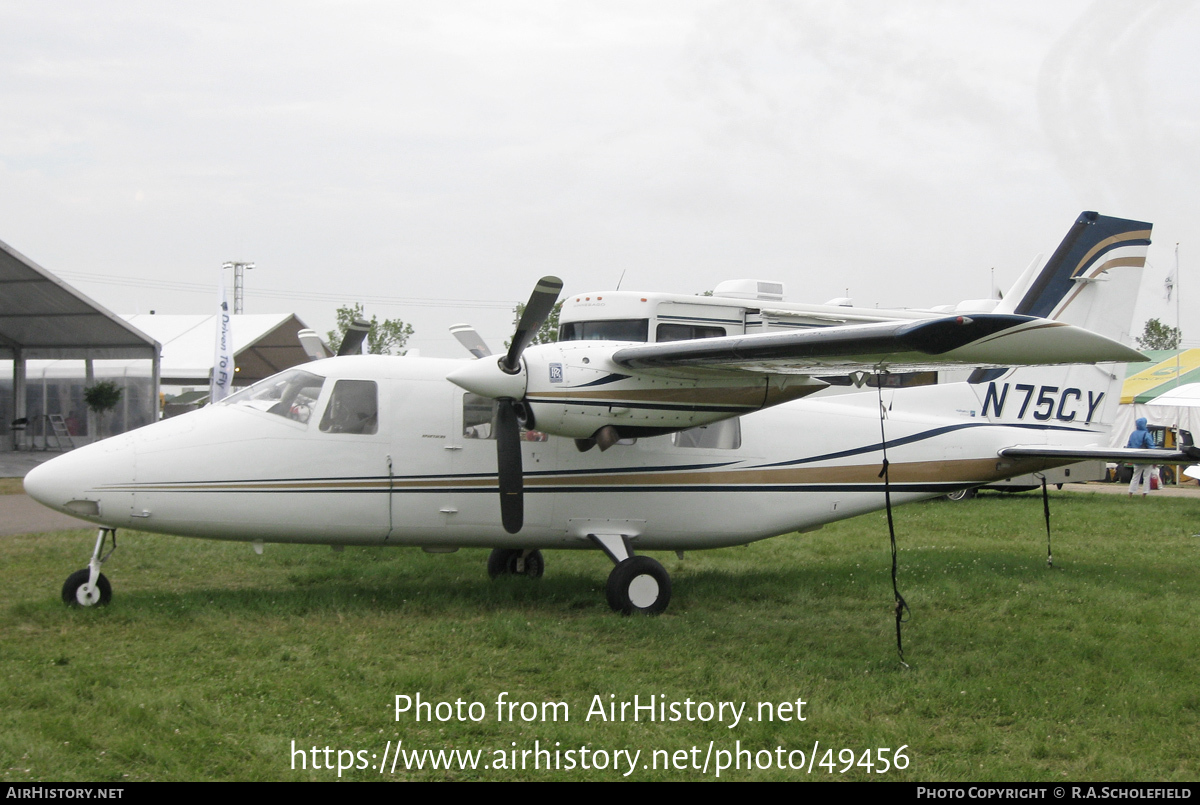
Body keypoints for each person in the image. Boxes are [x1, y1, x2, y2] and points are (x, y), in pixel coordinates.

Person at [1126, 417, 1156, 497]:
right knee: (1146, 477)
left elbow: (1129, 445)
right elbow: (1151, 447)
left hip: (1136, 458)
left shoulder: (1133, 434)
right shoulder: (1146, 434)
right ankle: (1144, 494)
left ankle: (1130, 493)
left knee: (1135, 476)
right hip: (1146, 459)